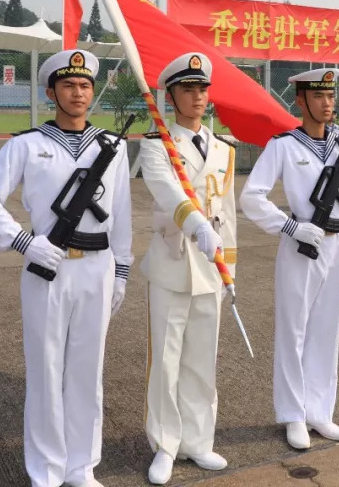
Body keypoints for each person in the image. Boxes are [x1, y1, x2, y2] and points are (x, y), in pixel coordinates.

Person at [0, 49, 132, 487]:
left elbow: (122, 215)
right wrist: (24, 242)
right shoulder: (27, 145)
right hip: (48, 268)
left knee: (86, 371)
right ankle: (46, 471)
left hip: (97, 268)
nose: (78, 93)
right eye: (68, 86)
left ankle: (81, 467)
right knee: (45, 370)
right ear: (50, 92)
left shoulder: (112, 148)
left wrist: (121, 271)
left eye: (84, 86)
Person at [239, 68, 339, 450]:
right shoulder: (284, 145)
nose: (328, 104)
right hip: (300, 246)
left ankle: (319, 410)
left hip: (335, 247)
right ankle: (292, 414)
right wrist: (289, 227)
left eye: (331, 96)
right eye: (319, 97)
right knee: (294, 333)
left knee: (326, 331)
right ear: (301, 101)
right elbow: (251, 197)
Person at [136, 52, 236, 484]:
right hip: (173, 263)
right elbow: (164, 190)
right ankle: (165, 444)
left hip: (210, 269)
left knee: (202, 360)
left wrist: (229, 268)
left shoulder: (223, 150)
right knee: (167, 361)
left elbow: (227, 214)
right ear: (171, 96)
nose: (197, 96)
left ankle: (198, 441)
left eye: (202, 89)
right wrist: (195, 224)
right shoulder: (157, 145)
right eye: (188, 89)